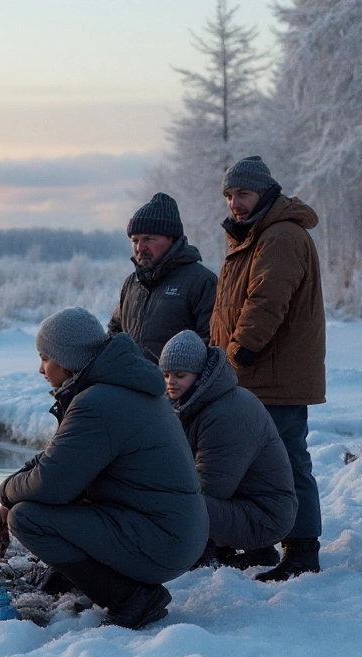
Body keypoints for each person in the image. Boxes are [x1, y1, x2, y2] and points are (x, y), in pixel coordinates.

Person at [0, 308, 208, 629]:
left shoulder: (99, 402)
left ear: (66, 360)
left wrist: (6, 495)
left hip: (163, 541)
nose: (40, 368)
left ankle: (133, 599)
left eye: (44, 357)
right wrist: (11, 491)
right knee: (41, 500)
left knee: (27, 518)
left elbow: (51, 482)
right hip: (174, 531)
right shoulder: (115, 389)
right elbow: (59, 458)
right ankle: (86, 577)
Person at [210, 155, 326, 582]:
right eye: (229, 195)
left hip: (274, 375)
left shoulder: (279, 236)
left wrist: (239, 353)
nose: (234, 203)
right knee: (255, 465)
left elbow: (266, 301)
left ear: (264, 192)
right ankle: (260, 545)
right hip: (253, 374)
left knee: (289, 462)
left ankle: (301, 552)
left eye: (242, 193)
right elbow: (227, 307)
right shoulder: (250, 236)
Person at [159, 330, 297, 569]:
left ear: (199, 374)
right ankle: (248, 552)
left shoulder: (226, 414)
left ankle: (206, 554)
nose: (171, 382)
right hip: (245, 505)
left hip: (265, 518)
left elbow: (211, 487)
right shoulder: (196, 401)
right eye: (166, 375)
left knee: (175, 503)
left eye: (180, 375)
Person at [107, 192, 217, 364]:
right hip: (132, 388)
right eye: (135, 241)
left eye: (149, 239)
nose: (140, 247)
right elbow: (115, 332)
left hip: (175, 388)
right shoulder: (132, 283)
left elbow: (211, 344)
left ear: (172, 240)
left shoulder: (201, 282)